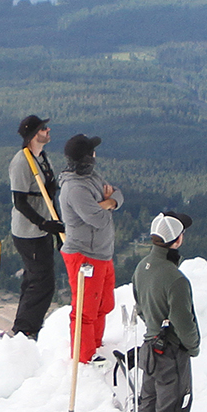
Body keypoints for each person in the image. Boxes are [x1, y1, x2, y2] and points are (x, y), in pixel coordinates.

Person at [128, 211, 200, 412]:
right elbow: (184, 323)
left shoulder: (142, 267)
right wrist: (193, 347)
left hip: (150, 350)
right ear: (177, 240)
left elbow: (141, 306)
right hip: (171, 354)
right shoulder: (175, 279)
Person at [55, 133, 123, 365]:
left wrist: (108, 202)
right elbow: (99, 219)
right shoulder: (74, 188)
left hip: (101, 252)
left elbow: (117, 195)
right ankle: (84, 357)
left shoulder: (91, 177)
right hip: (84, 254)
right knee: (85, 307)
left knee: (104, 303)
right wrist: (107, 203)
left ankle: (95, 345)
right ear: (87, 158)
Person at [6, 115, 64, 340]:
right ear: (33, 135)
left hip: (43, 229)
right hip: (28, 232)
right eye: (43, 128)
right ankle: (26, 329)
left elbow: (48, 196)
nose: (48, 131)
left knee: (34, 279)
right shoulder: (22, 162)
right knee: (42, 282)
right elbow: (20, 202)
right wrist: (43, 223)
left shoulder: (41, 158)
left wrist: (56, 228)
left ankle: (24, 325)